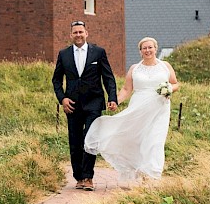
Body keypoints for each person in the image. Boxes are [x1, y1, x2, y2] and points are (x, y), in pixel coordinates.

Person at [84, 36, 179, 184]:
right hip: (138, 109)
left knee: (155, 141)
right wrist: (115, 101)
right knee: (137, 141)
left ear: (156, 48)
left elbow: (175, 83)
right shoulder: (135, 69)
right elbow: (127, 89)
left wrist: (169, 89)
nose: (147, 50)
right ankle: (135, 171)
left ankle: (153, 176)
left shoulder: (165, 66)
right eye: (144, 48)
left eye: (150, 47)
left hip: (159, 109)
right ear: (140, 51)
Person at [52, 20, 118, 191]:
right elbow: (56, 80)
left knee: (90, 139)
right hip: (72, 104)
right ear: (71, 35)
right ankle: (79, 177)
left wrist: (112, 98)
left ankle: (88, 177)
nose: (78, 35)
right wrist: (62, 99)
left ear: (86, 33)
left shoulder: (98, 52)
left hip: (94, 103)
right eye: (75, 32)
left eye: (81, 32)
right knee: (75, 141)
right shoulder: (64, 54)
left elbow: (108, 77)